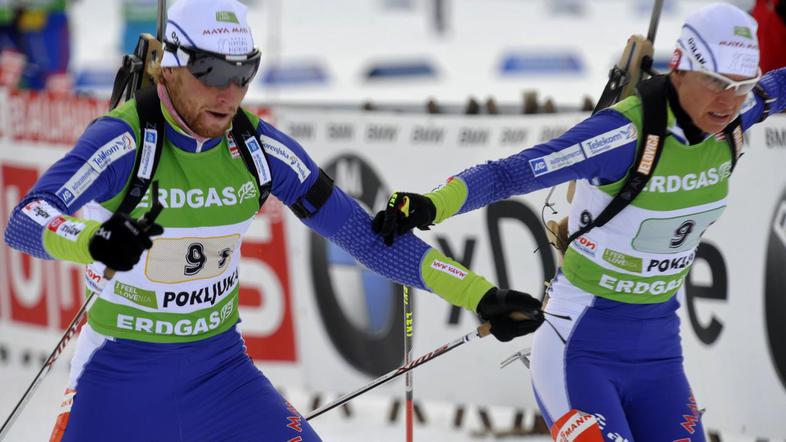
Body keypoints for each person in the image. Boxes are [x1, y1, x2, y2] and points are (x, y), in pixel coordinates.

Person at [2, 0, 544, 440]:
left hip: (219, 373)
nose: (229, 92)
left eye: (244, 74)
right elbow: (26, 219)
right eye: (211, 71)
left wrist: (479, 295)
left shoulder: (258, 149)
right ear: (170, 66)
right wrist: (94, 242)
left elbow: (365, 237)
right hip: (121, 374)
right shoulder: (123, 140)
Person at [372, 3, 786, 441]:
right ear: (680, 69)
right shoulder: (621, 135)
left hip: (660, 357)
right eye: (717, 82)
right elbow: (511, 172)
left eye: (743, 86)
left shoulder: (739, 116)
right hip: (580, 352)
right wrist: (432, 205)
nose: (729, 100)